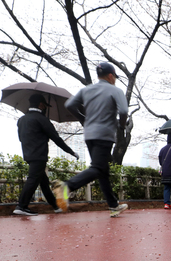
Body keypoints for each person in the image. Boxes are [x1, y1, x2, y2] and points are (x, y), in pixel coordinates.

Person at [54, 62, 129, 218]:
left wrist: (83, 119)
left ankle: (113, 205)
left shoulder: (86, 90)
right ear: (111, 75)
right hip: (105, 134)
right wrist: (121, 126)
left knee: (102, 171)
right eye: (114, 76)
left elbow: (69, 104)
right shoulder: (115, 90)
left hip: (89, 135)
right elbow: (123, 110)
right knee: (97, 168)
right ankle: (67, 186)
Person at [13, 93, 79, 216]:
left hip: (28, 154)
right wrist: (71, 151)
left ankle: (55, 206)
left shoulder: (21, 120)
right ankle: (21, 206)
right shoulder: (42, 119)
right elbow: (56, 138)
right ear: (41, 104)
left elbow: (21, 138)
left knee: (43, 181)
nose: (45, 108)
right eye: (44, 105)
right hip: (40, 155)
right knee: (33, 179)